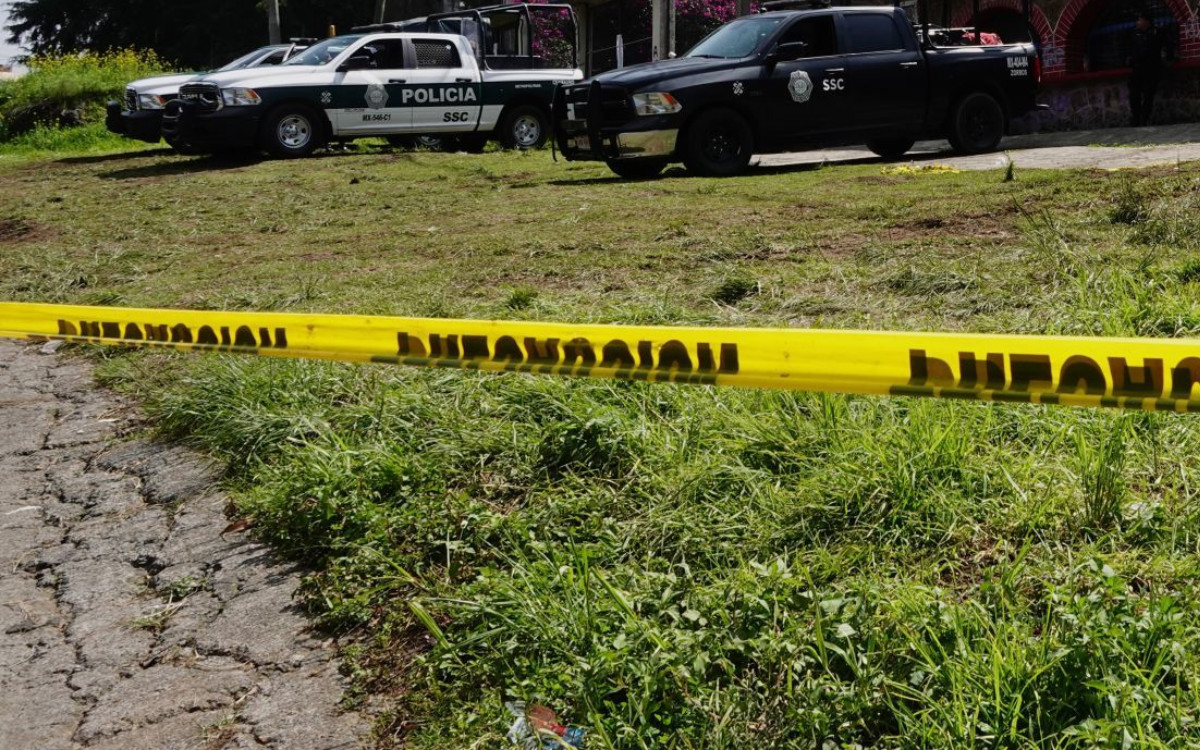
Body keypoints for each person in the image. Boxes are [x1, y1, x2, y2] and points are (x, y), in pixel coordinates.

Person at [1128, 12, 1168, 126]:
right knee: (1134, 95)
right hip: (1137, 68)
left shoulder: (1156, 32)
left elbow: (1167, 45)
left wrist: (1167, 59)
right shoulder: (1134, 33)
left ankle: (1144, 119)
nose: (1138, 22)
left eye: (1140, 20)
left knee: (1148, 95)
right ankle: (1136, 118)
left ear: (1146, 21)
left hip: (1151, 68)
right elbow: (1129, 47)